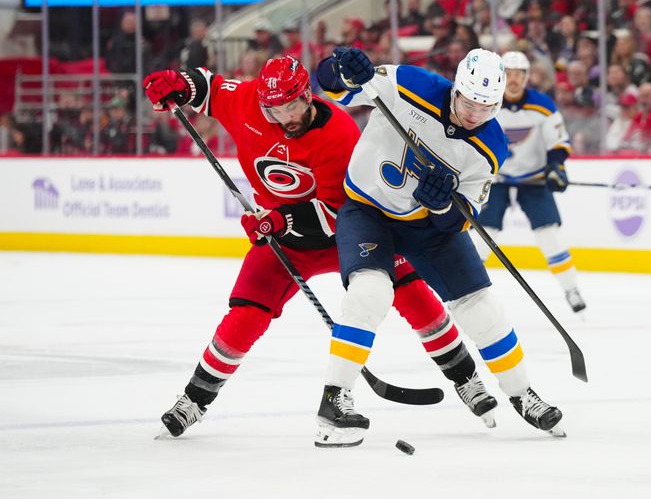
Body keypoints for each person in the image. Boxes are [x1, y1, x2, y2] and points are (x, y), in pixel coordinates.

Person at [142, 56, 498, 438]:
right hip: (285, 241)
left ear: (307, 96)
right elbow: (209, 88)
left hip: (346, 233)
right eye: (274, 109)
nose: (285, 116)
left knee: (413, 293)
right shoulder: (247, 102)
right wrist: (176, 82)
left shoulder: (338, 132)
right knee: (247, 311)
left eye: (293, 105)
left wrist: (279, 220)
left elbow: (336, 211)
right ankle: (194, 399)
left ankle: (467, 378)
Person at [313, 47, 564, 448]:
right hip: (367, 210)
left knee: (482, 307)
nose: (473, 114)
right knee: (369, 292)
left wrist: (444, 204)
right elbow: (331, 90)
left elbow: (463, 217)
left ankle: (522, 393)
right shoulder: (410, 83)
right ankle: (334, 398)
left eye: (486, 108)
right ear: (456, 88)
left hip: (426, 228)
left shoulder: (492, 144)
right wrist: (341, 69)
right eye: (467, 102)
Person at [468, 50, 586, 312]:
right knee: (484, 235)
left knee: (549, 234)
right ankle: (466, 292)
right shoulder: (487, 102)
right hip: (495, 179)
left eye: (519, 74)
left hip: (533, 178)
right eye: (508, 74)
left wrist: (557, 167)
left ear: (527, 77)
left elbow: (557, 142)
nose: (513, 80)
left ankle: (571, 289)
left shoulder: (542, 105)